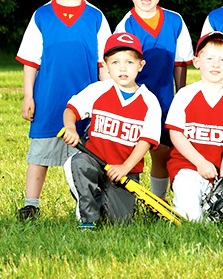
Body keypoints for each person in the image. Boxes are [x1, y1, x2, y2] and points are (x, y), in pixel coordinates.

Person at [15, 0, 111, 221]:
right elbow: (32, 60)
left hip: (84, 103)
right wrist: (28, 95)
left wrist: (106, 99)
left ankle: (89, 204)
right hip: (48, 98)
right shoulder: (42, 15)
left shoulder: (95, 17)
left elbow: (102, 62)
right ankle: (31, 203)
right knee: (39, 153)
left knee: (86, 156)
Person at [61, 33, 162, 228]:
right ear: (106, 66)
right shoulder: (99, 90)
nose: (122, 68)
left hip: (125, 171)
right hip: (95, 161)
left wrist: (125, 167)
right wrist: (70, 127)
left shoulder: (149, 101)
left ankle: (101, 199)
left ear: (141, 65)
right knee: (78, 163)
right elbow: (71, 110)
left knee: (119, 222)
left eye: (129, 62)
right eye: (115, 62)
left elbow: (145, 142)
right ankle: (87, 217)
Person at [115, 0, 194, 200]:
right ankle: (127, 198)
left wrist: (180, 96)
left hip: (165, 101)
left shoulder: (174, 20)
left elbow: (180, 63)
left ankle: (157, 201)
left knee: (161, 152)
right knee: (132, 151)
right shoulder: (125, 26)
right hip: (135, 103)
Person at [165, 31, 223, 222]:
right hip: (187, 168)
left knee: (215, 219)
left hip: (217, 173)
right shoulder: (185, 94)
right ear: (197, 61)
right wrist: (200, 162)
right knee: (192, 218)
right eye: (209, 58)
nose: (215, 64)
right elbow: (176, 134)